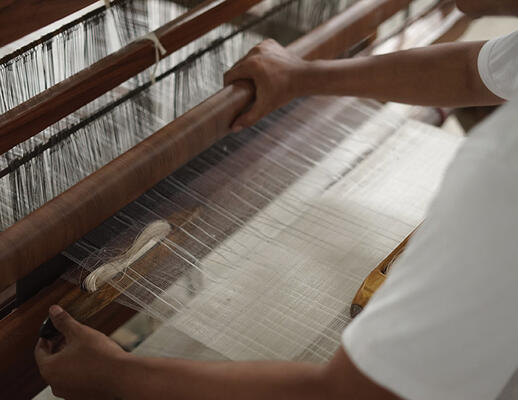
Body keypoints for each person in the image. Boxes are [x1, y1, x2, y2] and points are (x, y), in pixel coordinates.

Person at [35, 1, 518, 398]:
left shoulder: (502, 167)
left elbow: (353, 395)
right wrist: (303, 76)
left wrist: (119, 378)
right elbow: (475, 72)